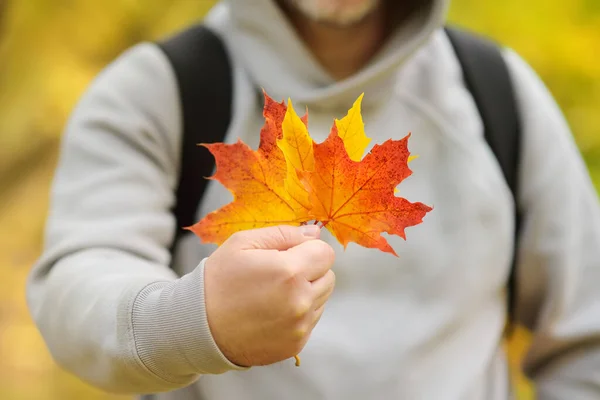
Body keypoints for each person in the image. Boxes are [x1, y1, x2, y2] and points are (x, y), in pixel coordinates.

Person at [26, 0, 600, 399]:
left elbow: (587, 336)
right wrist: (195, 321)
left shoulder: (497, 92)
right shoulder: (157, 91)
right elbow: (79, 281)